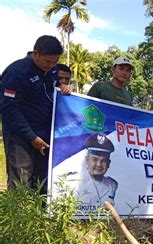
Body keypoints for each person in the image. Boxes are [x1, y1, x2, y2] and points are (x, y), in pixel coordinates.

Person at [0, 35, 70, 192]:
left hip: (44, 135)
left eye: (55, 62)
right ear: (36, 53)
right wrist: (31, 136)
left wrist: (62, 88)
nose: (51, 65)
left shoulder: (51, 70)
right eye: (47, 61)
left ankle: (39, 215)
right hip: (21, 135)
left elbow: (52, 90)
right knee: (21, 180)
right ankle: (19, 216)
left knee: (42, 180)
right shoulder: (17, 72)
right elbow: (8, 108)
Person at [70, 134, 118, 209]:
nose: (99, 164)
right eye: (95, 159)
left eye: (103, 161)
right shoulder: (72, 181)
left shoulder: (112, 185)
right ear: (87, 160)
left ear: (108, 163)